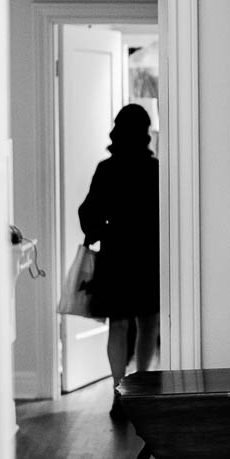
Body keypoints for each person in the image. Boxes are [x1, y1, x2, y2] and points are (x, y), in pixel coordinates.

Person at [77, 103, 160, 408]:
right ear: (144, 133)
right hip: (149, 254)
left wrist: (101, 229)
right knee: (149, 322)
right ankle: (142, 385)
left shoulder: (107, 169)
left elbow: (89, 213)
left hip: (117, 254)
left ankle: (118, 390)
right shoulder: (155, 169)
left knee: (119, 324)